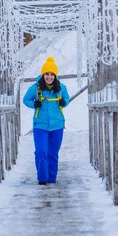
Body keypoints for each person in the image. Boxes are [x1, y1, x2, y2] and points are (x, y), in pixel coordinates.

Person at [23, 56, 70, 185]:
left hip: (57, 125)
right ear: (43, 74)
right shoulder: (35, 88)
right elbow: (26, 100)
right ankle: (42, 178)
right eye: (46, 74)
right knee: (41, 151)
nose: (49, 77)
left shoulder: (61, 88)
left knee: (53, 153)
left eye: (52, 74)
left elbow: (67, 98)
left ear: (55, 76)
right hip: (40, 125)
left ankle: (51, 178)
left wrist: (63, 102)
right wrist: (35, 104)